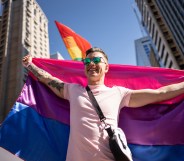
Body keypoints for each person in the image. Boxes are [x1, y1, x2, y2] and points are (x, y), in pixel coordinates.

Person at [22, 47, 184, 161]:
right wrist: (30, 65)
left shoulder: (118, 93)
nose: (91, 64)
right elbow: (48, 80)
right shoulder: (72, 90)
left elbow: (160, 94)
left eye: (96, 60)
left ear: (106, 67)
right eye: (87, 61)